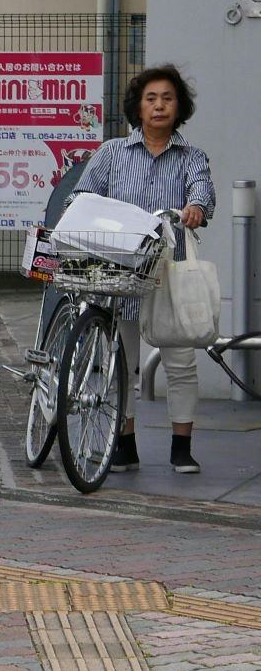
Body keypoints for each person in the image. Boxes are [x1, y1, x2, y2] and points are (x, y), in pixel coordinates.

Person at [74, 63, 215, 475]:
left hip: (171, 272)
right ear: (138, 106)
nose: (159, 106)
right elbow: (83, 196)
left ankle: (181, 446)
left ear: (179, 107)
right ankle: (125, 442)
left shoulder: (193, 157)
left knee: (180, 360)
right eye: (151, 98)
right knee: (121, 360)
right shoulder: (112, 153)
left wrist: (195, 209)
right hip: (120, 269)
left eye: (167, 99)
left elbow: (202, 194)